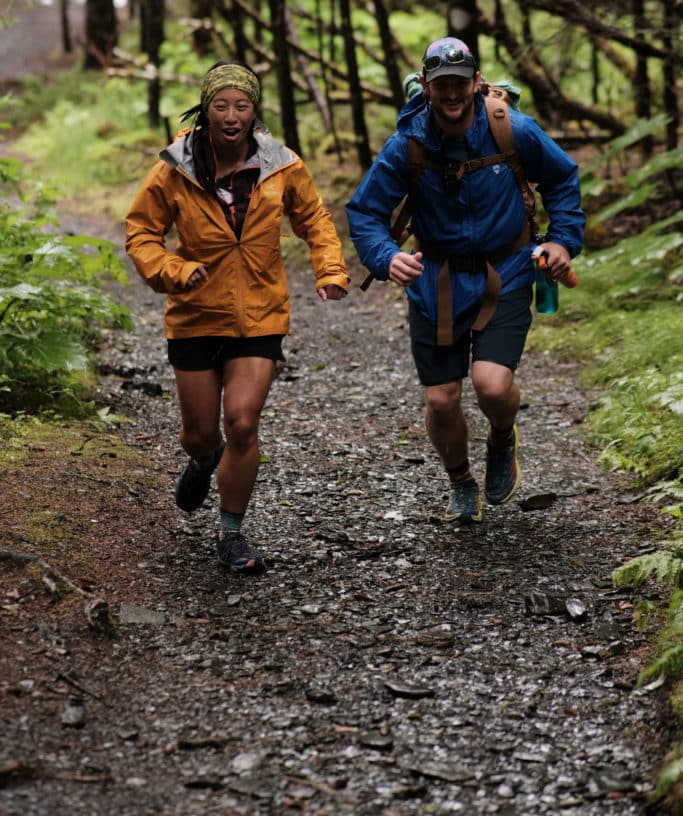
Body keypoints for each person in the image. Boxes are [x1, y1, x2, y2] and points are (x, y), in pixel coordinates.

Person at [346, 37, 584, 524]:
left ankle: (501, 438)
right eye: (441, 86)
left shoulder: (513, 130)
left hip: (509, 269)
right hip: (436, 279)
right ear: (427, 89)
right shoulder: (408, 143)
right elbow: (366, 211)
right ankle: (460, 482)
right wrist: (386, 257)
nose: (451, 94)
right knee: (441, 397)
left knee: (492, 387)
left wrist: (562, 240)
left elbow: (562, 179)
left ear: (476, 83)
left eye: (459, 83)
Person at [126, 62, 349, 573]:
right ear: (206, 110)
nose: (231, 115)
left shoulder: (280, 163)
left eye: (241, 106)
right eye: (221, 105)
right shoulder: (175, 166)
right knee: (200, 433)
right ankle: (205, 460)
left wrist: (330, 269)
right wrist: (175, 269)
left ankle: (231, 533)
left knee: (243, 422)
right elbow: (141, 233)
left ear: (254, 112)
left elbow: (314, 218)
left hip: (261, 315)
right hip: (196, 315)